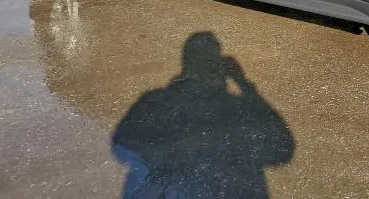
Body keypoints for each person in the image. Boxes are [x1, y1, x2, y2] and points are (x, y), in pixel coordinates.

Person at [112, 32, 294, 198]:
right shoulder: (236, 106)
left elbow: (122, 145)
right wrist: (243, 83)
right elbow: (282, 149)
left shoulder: (157, 100)